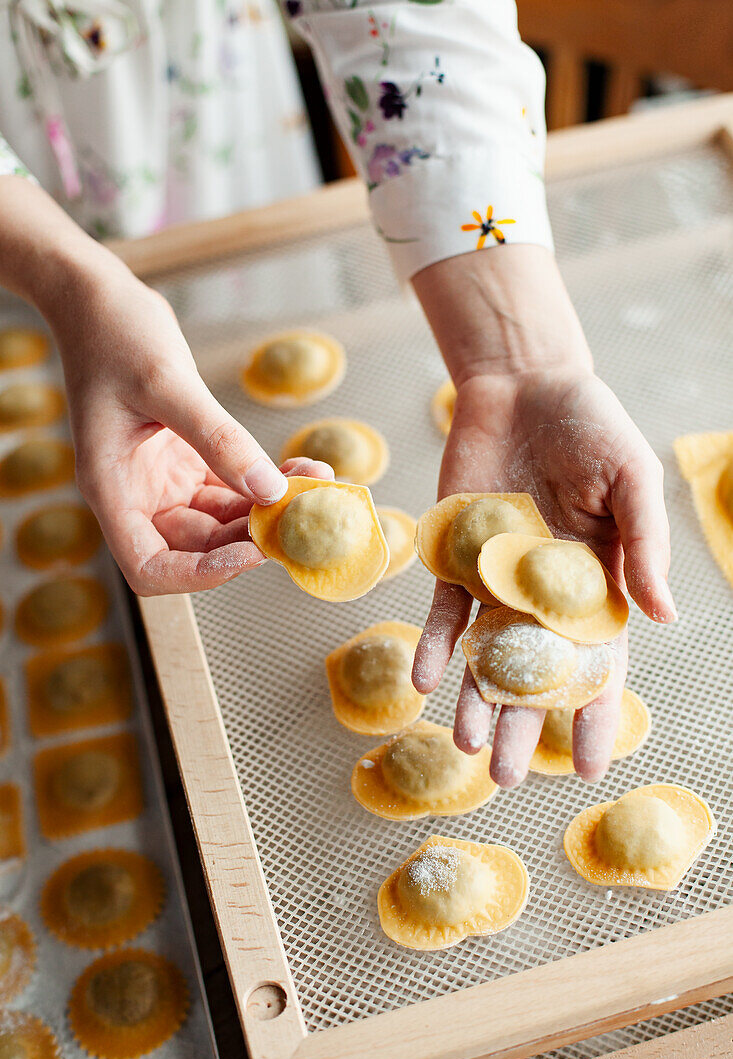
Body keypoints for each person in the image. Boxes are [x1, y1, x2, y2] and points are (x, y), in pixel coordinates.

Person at [0, 0, 675, 791]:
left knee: (244, 330)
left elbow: (405, 14)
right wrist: (70, 280)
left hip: (206, 123)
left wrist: (524, 357)